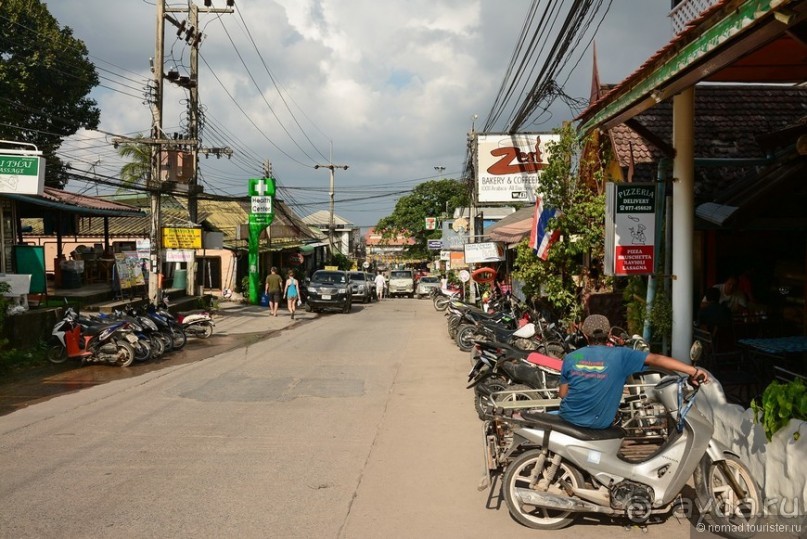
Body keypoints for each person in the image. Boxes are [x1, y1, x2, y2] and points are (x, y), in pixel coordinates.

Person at [558, 314, 708, 429]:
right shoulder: (621, 355)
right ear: (609, 333)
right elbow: (656, 359)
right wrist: (693, 371)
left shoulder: (571, 357)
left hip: (569, 418)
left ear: (585, 335)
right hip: (599, 425)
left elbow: (563, 394)